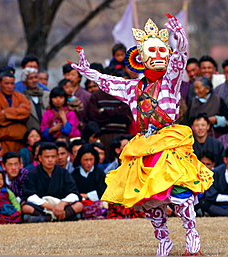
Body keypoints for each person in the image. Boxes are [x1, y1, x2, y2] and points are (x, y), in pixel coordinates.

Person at [70, 15, 213, 256]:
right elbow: (108, 82)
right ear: (141, 58)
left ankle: (191, 234)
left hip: (170, 142)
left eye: (161, 49)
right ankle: (163, 239)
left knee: (179, 191)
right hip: (145, 144)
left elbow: (180, 59)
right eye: (152, 50)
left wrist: (180, 39)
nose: (158, 54)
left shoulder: (170, 81)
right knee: (148, 195)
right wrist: (89, 72)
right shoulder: (133, 87)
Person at [22, 142, 83, 222]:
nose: (50, 160)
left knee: (79, 205)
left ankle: (48, 218)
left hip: (61, 204)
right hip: (43, 206)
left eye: (53, 156)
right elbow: (30, 195)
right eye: (47, 157)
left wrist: (62, 204)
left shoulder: (63, 172)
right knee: (26, 207)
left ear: (57, 157)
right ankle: (60, 217)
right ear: (40, 158)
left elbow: (73, 193)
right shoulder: (33, 173)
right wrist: (50, 206)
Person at [0, 72, 31, 153]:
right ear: (0, 84)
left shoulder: (20, 96)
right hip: (3, 141)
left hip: (20, 140)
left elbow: (26, 113)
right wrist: (18, 115)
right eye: (6, 83)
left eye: (12, 83)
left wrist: (6, 112)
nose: (10, 86)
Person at [71, 144, 107, 219]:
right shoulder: (74, 174)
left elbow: (103, 192)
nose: (89, 163)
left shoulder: (100, 173)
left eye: (91, 159)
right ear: (80, 160)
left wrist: (86, 195)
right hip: (80, 205)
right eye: (86, 160)